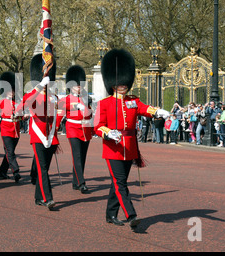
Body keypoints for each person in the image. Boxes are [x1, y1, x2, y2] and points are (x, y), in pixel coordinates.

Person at [94, 48, 169, 229]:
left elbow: (144, 108)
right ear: (113, 84)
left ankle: (111, 214)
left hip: (130, 148)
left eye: (126, 83)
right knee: (120, 184)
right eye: (121, 83)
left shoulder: (132, 101)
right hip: (113, 148)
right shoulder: (104, 103)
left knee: (118, 183)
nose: (124, 85)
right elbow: (97, 126)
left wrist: (157, 111)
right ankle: (131, 215)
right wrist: (108, 133)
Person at [17, 53, 63, 210]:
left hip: (51, 136)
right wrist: (39, 86)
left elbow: (60, 112)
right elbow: (22, 105)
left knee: (44, 169)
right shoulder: (34, 94)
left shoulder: (54, 96)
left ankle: (38, 197)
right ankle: (48, 198)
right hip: (38, 135)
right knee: (42, 168)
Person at [58, 65, 94, 193]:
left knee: (82, 157)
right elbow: (61, 109)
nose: (78, 87)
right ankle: (82, 182)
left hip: (85, 129)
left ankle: (75, 181)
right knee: (77, 156)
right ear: (70, 86)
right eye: (76, 85)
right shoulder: (66, 99)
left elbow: (89, 114)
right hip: (73, 128)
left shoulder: (85, 98)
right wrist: (53, 131)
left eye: (80, 85)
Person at [0, 71, 22, 182]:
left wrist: (24, 116)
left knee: (9, 153)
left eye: (13, 90)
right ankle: (16, 171)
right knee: (10, 152)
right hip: (6, 128)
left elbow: (22, 116)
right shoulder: (1, 102)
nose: (12, 92)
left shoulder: (17, 103)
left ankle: (2, 171)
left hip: (16, 129)